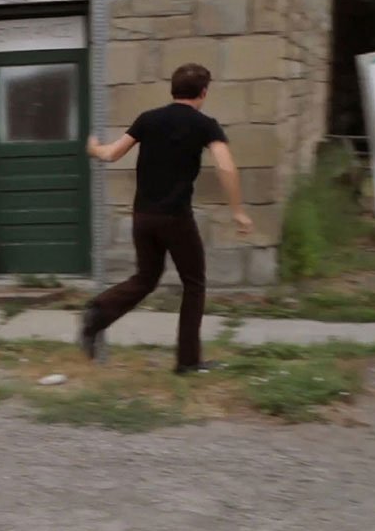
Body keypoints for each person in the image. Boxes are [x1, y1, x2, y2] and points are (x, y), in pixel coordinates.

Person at [81, 62, 253, 373]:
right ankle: (187, 362)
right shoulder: (205, 125)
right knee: (194, 284)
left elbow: (111, 154)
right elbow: (226, 167)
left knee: (146, 278)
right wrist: (238, 212)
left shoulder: (148, 119)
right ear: (203, 92)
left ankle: (99, 311)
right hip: (175, 217)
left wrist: (93, 148)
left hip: (143, 216)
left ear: (172, 90)